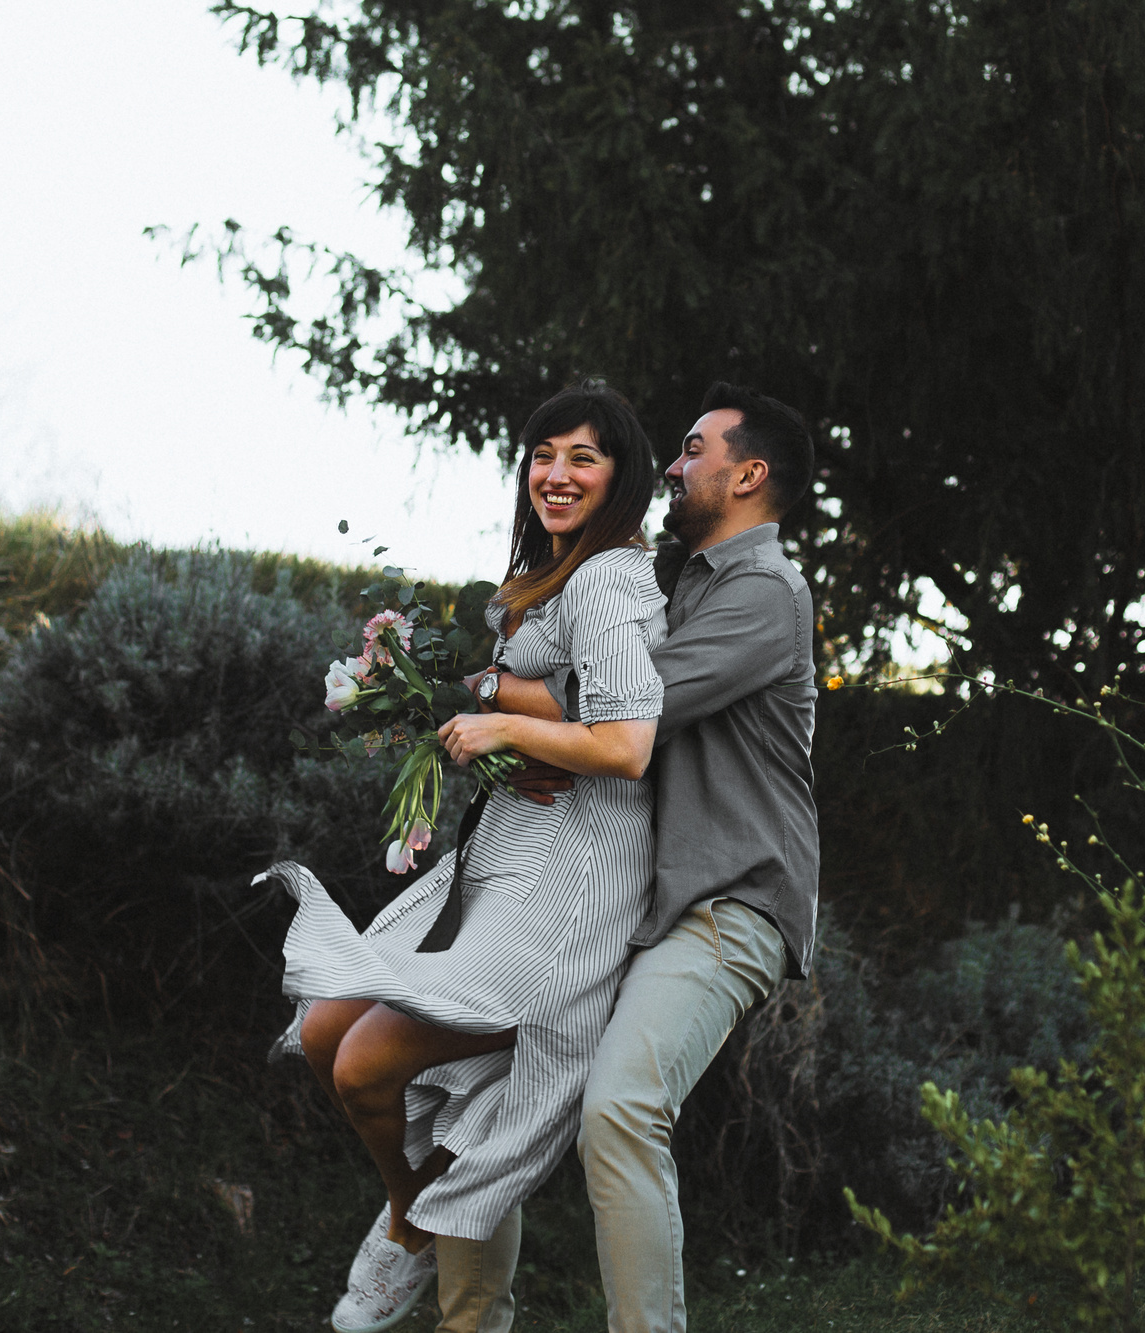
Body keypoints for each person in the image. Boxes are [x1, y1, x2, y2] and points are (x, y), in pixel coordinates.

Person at [258, 379, 670, 1333]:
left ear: (624, 474)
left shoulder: (611, 576)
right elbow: (552, 701)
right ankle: (424, 1215)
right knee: (327, 1032)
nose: (556, 474)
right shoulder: (556, 574)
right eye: (543, 453)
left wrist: (490, 719)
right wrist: (486, 691)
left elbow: (625, 744)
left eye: (583, 456)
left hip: (570, 883)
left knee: (362, 1062)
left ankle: (408, 1223)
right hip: (506, 860)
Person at [450, 381, 821, 1333]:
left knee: (618, 1108)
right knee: (478, 1076)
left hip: (727, 902)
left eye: (694, 449)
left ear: (748, 473)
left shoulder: (766, 594)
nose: (672, 463)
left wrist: (497, 691)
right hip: (631, 897)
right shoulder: (671, 576)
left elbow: (626, 701)